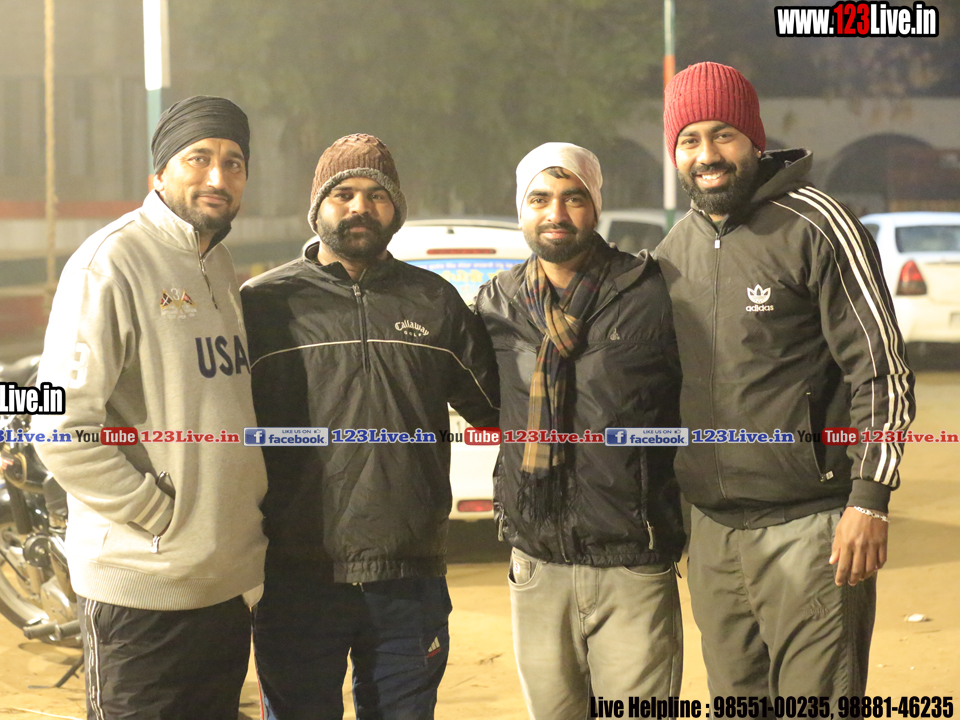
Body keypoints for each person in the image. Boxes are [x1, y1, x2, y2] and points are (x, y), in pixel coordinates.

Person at [655, 62, 916, 698]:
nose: (707, 155)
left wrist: (868, 499)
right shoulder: (673, 251)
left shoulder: (819, 224)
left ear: (754, 138)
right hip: (713, 536)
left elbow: (881, 370)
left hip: (812, 528)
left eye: (723, 135)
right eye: (689, 140)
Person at [241, 133, 499, 720]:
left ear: (395, 209)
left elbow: (499, 408)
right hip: (295, 575)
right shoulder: (263, 305)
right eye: (344, 194)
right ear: (318, 208)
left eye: (377, 195)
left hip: (408, 577)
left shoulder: (434, 301)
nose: (360, 207)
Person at [32, 96, 268, 720]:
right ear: (159, 173)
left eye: (234, 162)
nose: (218, 176)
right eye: (199, 158)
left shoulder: (219, 263)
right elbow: (59, 427)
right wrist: (159, 514)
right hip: (141, 589)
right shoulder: (111, 261)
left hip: (222, 585)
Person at [474, 143, 685, 715]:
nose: (556, 213)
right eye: (540, 199)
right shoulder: (497, 304)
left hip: (631, 560)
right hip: (537, 563)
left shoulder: (650, 293)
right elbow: (482, 402)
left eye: (573, 198)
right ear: (521, 210)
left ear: (595, 207)